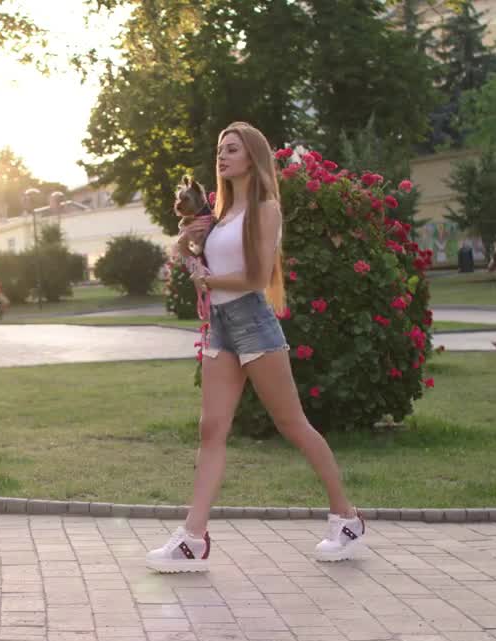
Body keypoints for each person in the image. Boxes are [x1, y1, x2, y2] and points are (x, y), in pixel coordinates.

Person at [146, 121, 365, 573]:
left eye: (232, 149)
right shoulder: (221, 215)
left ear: (252, 158)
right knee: (211, 429)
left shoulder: (265, 209)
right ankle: (193, 537)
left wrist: (208, 278)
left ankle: (347, 518)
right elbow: (204, 262)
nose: (222, 157)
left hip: (252, 322)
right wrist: (187, 252)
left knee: (292, 424)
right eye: (220, 150)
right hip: (221, 326)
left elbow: (257, 276)